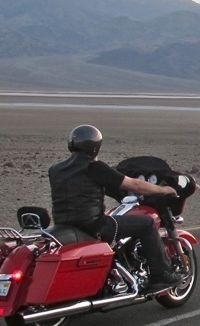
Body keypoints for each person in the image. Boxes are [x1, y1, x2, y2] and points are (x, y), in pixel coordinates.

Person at [48, 125, 183, 292]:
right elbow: (135, 184)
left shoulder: (55, 169)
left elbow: (80, 189)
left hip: (64, 224)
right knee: (147, 223)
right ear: (95, 147)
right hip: (93, 225)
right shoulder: (93, 167)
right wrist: (163, 190)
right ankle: (160, 275)